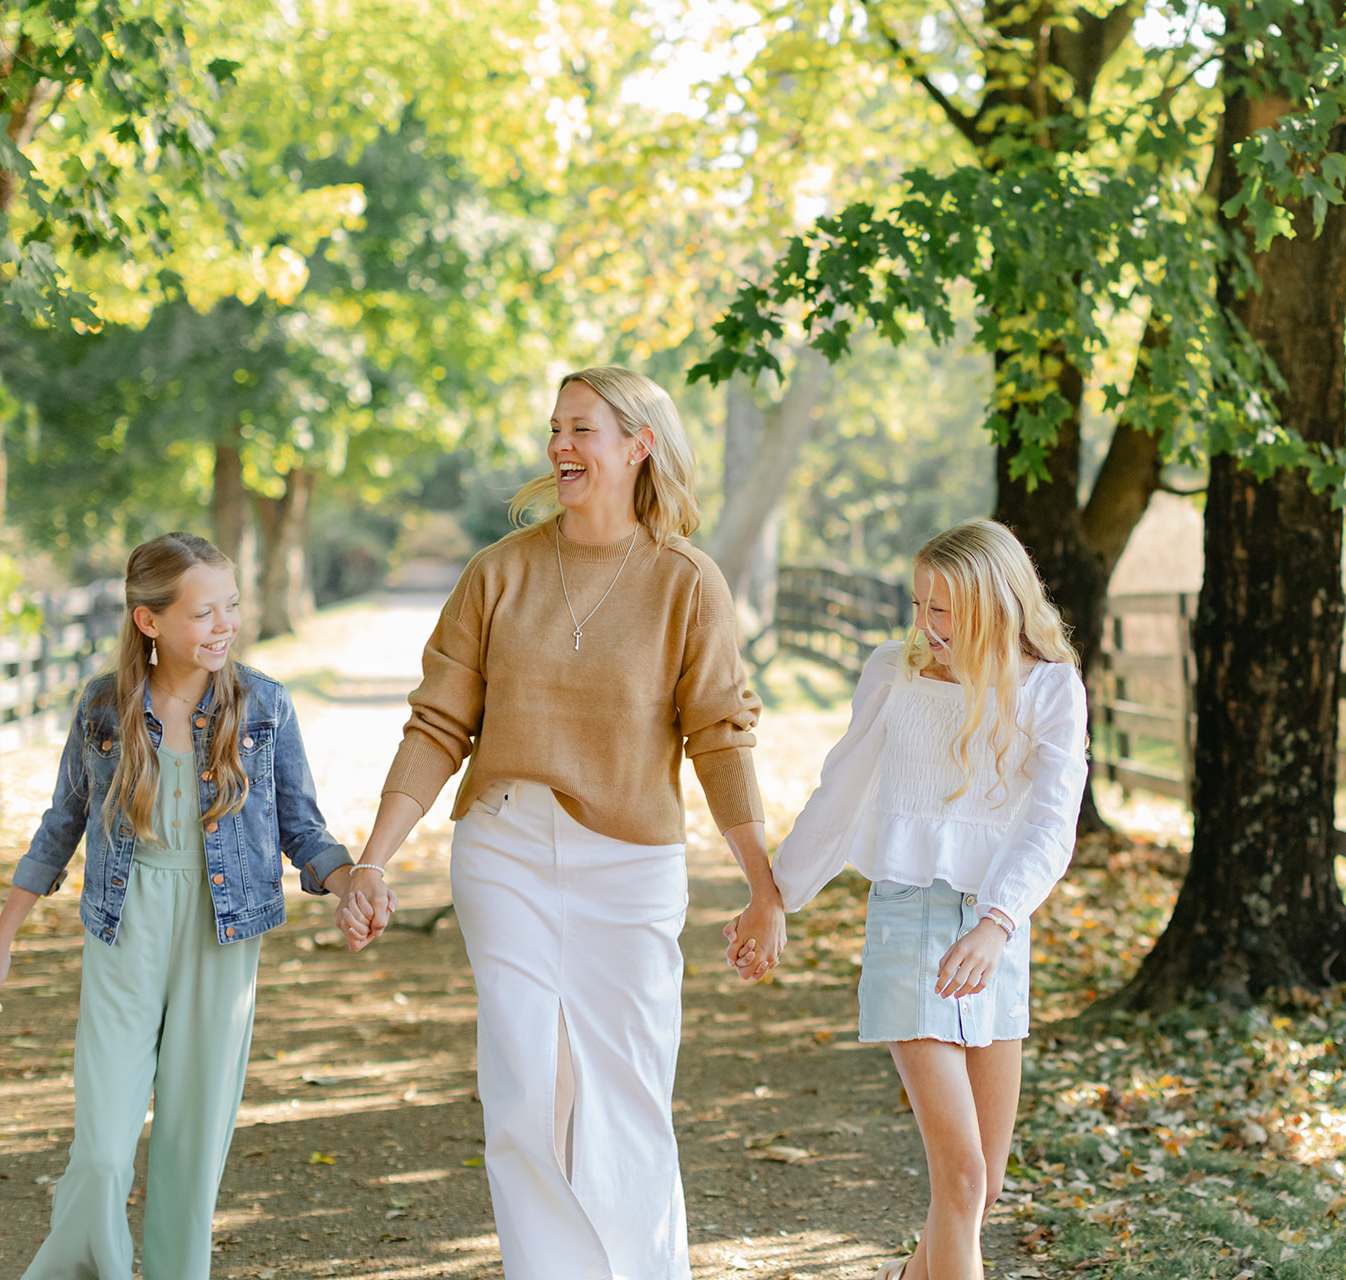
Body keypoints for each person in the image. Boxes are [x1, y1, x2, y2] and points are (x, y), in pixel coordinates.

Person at [334, 366, 785, 1280]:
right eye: (555, 429)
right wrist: (372, 861)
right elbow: (437, 725)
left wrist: (763, 885)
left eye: (583, 429)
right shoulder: (498, 573)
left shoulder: (685, 583)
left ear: (638, 445)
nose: (561, 447)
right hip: (504, 847)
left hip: (630, 863)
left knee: (625, 1092)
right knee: (526, 1089)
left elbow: (721, 738)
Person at [0, 532, 362, 1280]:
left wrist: (348, 886)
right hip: (126, 924)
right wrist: (1, 940)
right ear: (150, 621)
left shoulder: (264, 705)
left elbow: (301, 826)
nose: (224, 625)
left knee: (191, 1145)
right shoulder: (105, 708)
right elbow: (61, 825)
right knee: (105, 1147)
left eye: (231, 606)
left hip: (225, 931)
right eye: (203, 612)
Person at [768, 518, 1086, 1280]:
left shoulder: (1049, 688)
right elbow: (839, 793)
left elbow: (1050, 821)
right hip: (909, 923)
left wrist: (1000, 923)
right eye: (919, 605)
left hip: (995, 938)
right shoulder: (893, 673)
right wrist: (775, 896)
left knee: (985, 1188)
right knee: (963, 1174)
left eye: (941, 610)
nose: (923, 625)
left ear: (992, 606)